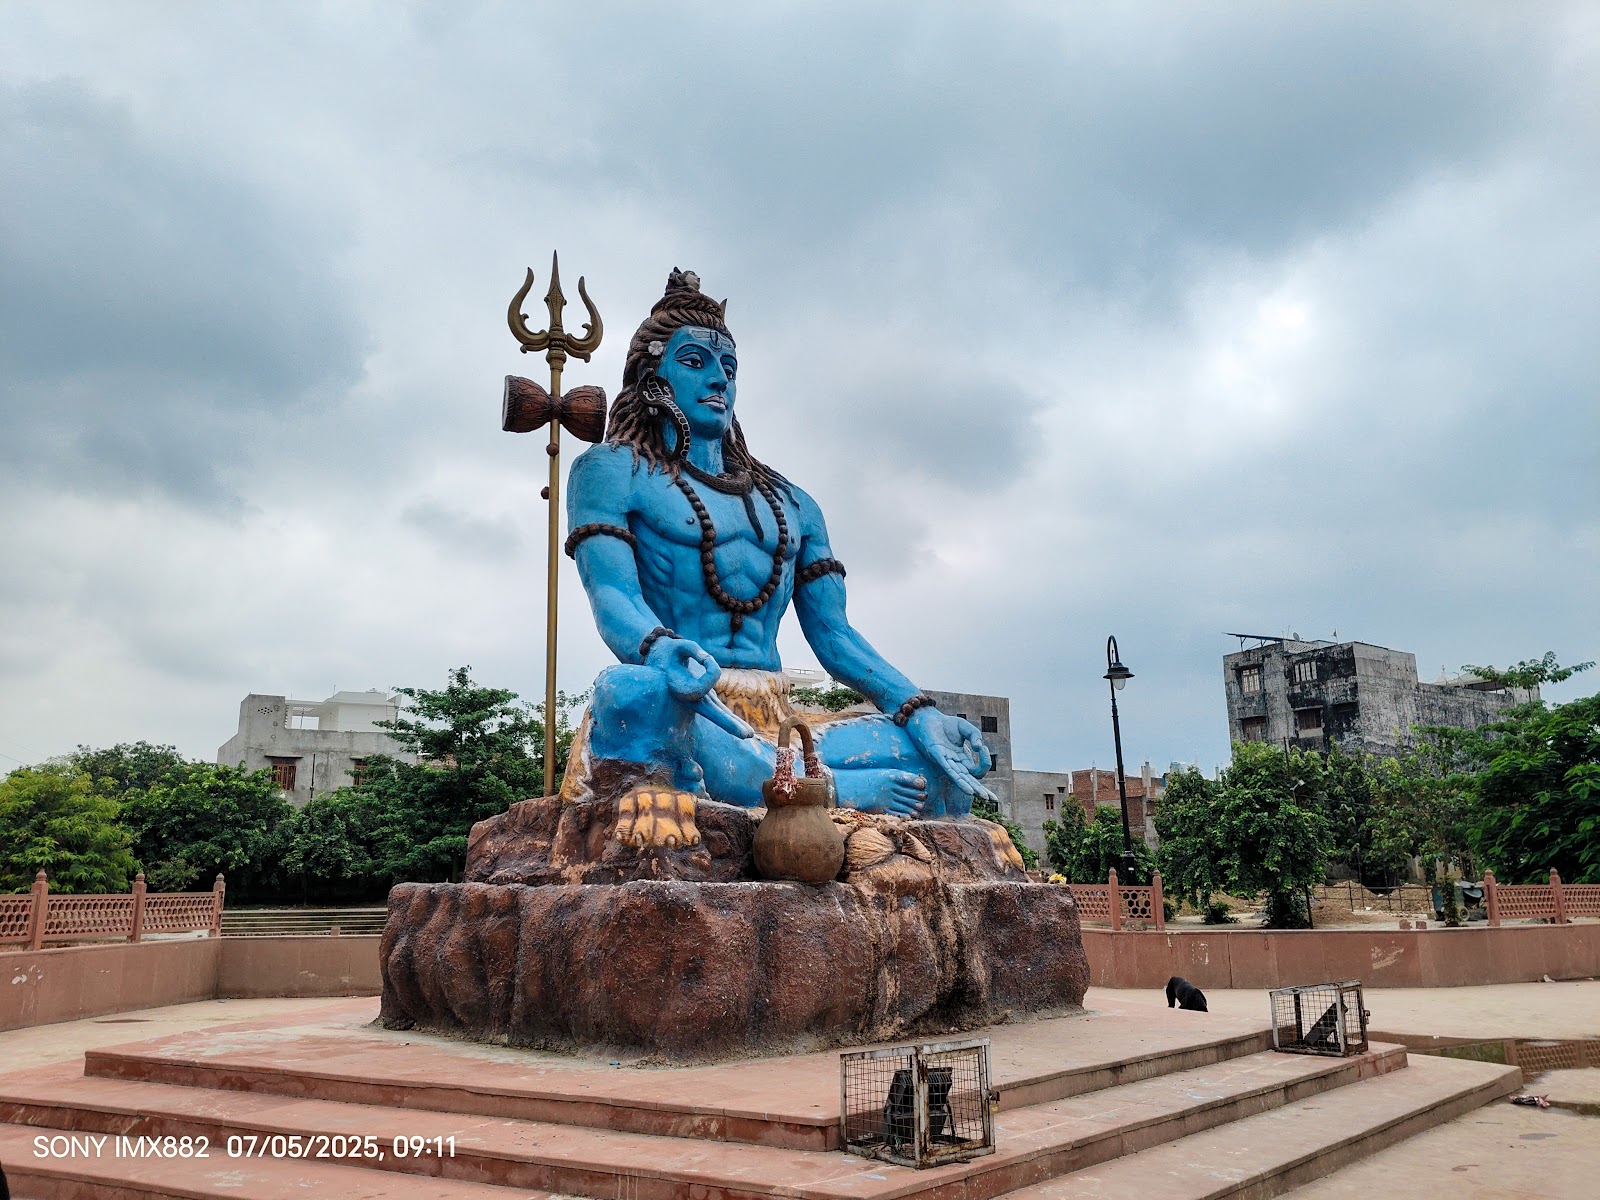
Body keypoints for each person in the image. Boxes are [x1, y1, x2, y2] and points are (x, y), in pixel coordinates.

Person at [562, 269, 995, 844]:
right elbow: (612, 594)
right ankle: (830, 790)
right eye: (695, 362)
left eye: (729, 368)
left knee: (941, 760)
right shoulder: (612, 472)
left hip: (781, 726)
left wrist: (919, 712)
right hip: (689, 708)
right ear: (652, 376)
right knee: (631, 693)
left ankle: (794, 781)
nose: (718, 378)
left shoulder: (794, 504)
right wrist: (660, 650)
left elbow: (835, 636)